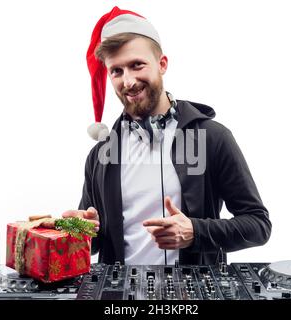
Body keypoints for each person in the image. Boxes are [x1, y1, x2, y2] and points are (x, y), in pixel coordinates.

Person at [62, 6, 271, 265]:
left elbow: (258, 225)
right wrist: (82, 231)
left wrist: (196, 232)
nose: (128, 81)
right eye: (116, 71)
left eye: (137, 65)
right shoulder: (102, 154)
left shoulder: (212, 138)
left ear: (162, 64)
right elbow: (98, 240)